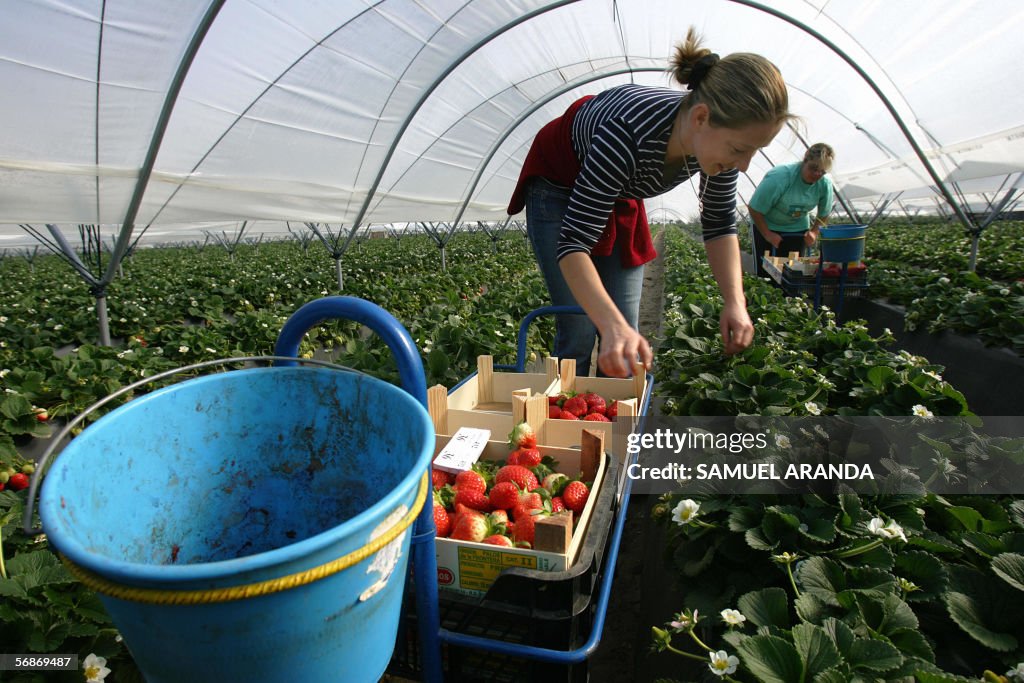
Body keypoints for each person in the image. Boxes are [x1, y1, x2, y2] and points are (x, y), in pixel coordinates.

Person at [507, 28, 795, 378]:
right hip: (559, 188)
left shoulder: (719, 148)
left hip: (619, 194)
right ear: (701, 117)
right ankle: (565, 421)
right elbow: (573, 244)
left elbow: (719, 224)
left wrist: (736, 302)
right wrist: (609, 325)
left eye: (754, 150)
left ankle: (611, 425)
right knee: (580, 326)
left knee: (624, 329)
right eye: (739, 149)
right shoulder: (627, 134)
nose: (745, 164)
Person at [748, 143, 835, 278]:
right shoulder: (780, 177)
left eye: (822, 172)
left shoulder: (825, 184)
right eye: (813, 168)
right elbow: (755, 208)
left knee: (794, 272)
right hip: (767, 225)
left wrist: (813, 232)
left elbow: (824, 213)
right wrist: (768, 234)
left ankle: (790, 298)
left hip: (797, 228)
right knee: (766, 273)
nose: (817, 174)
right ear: (805, 160)